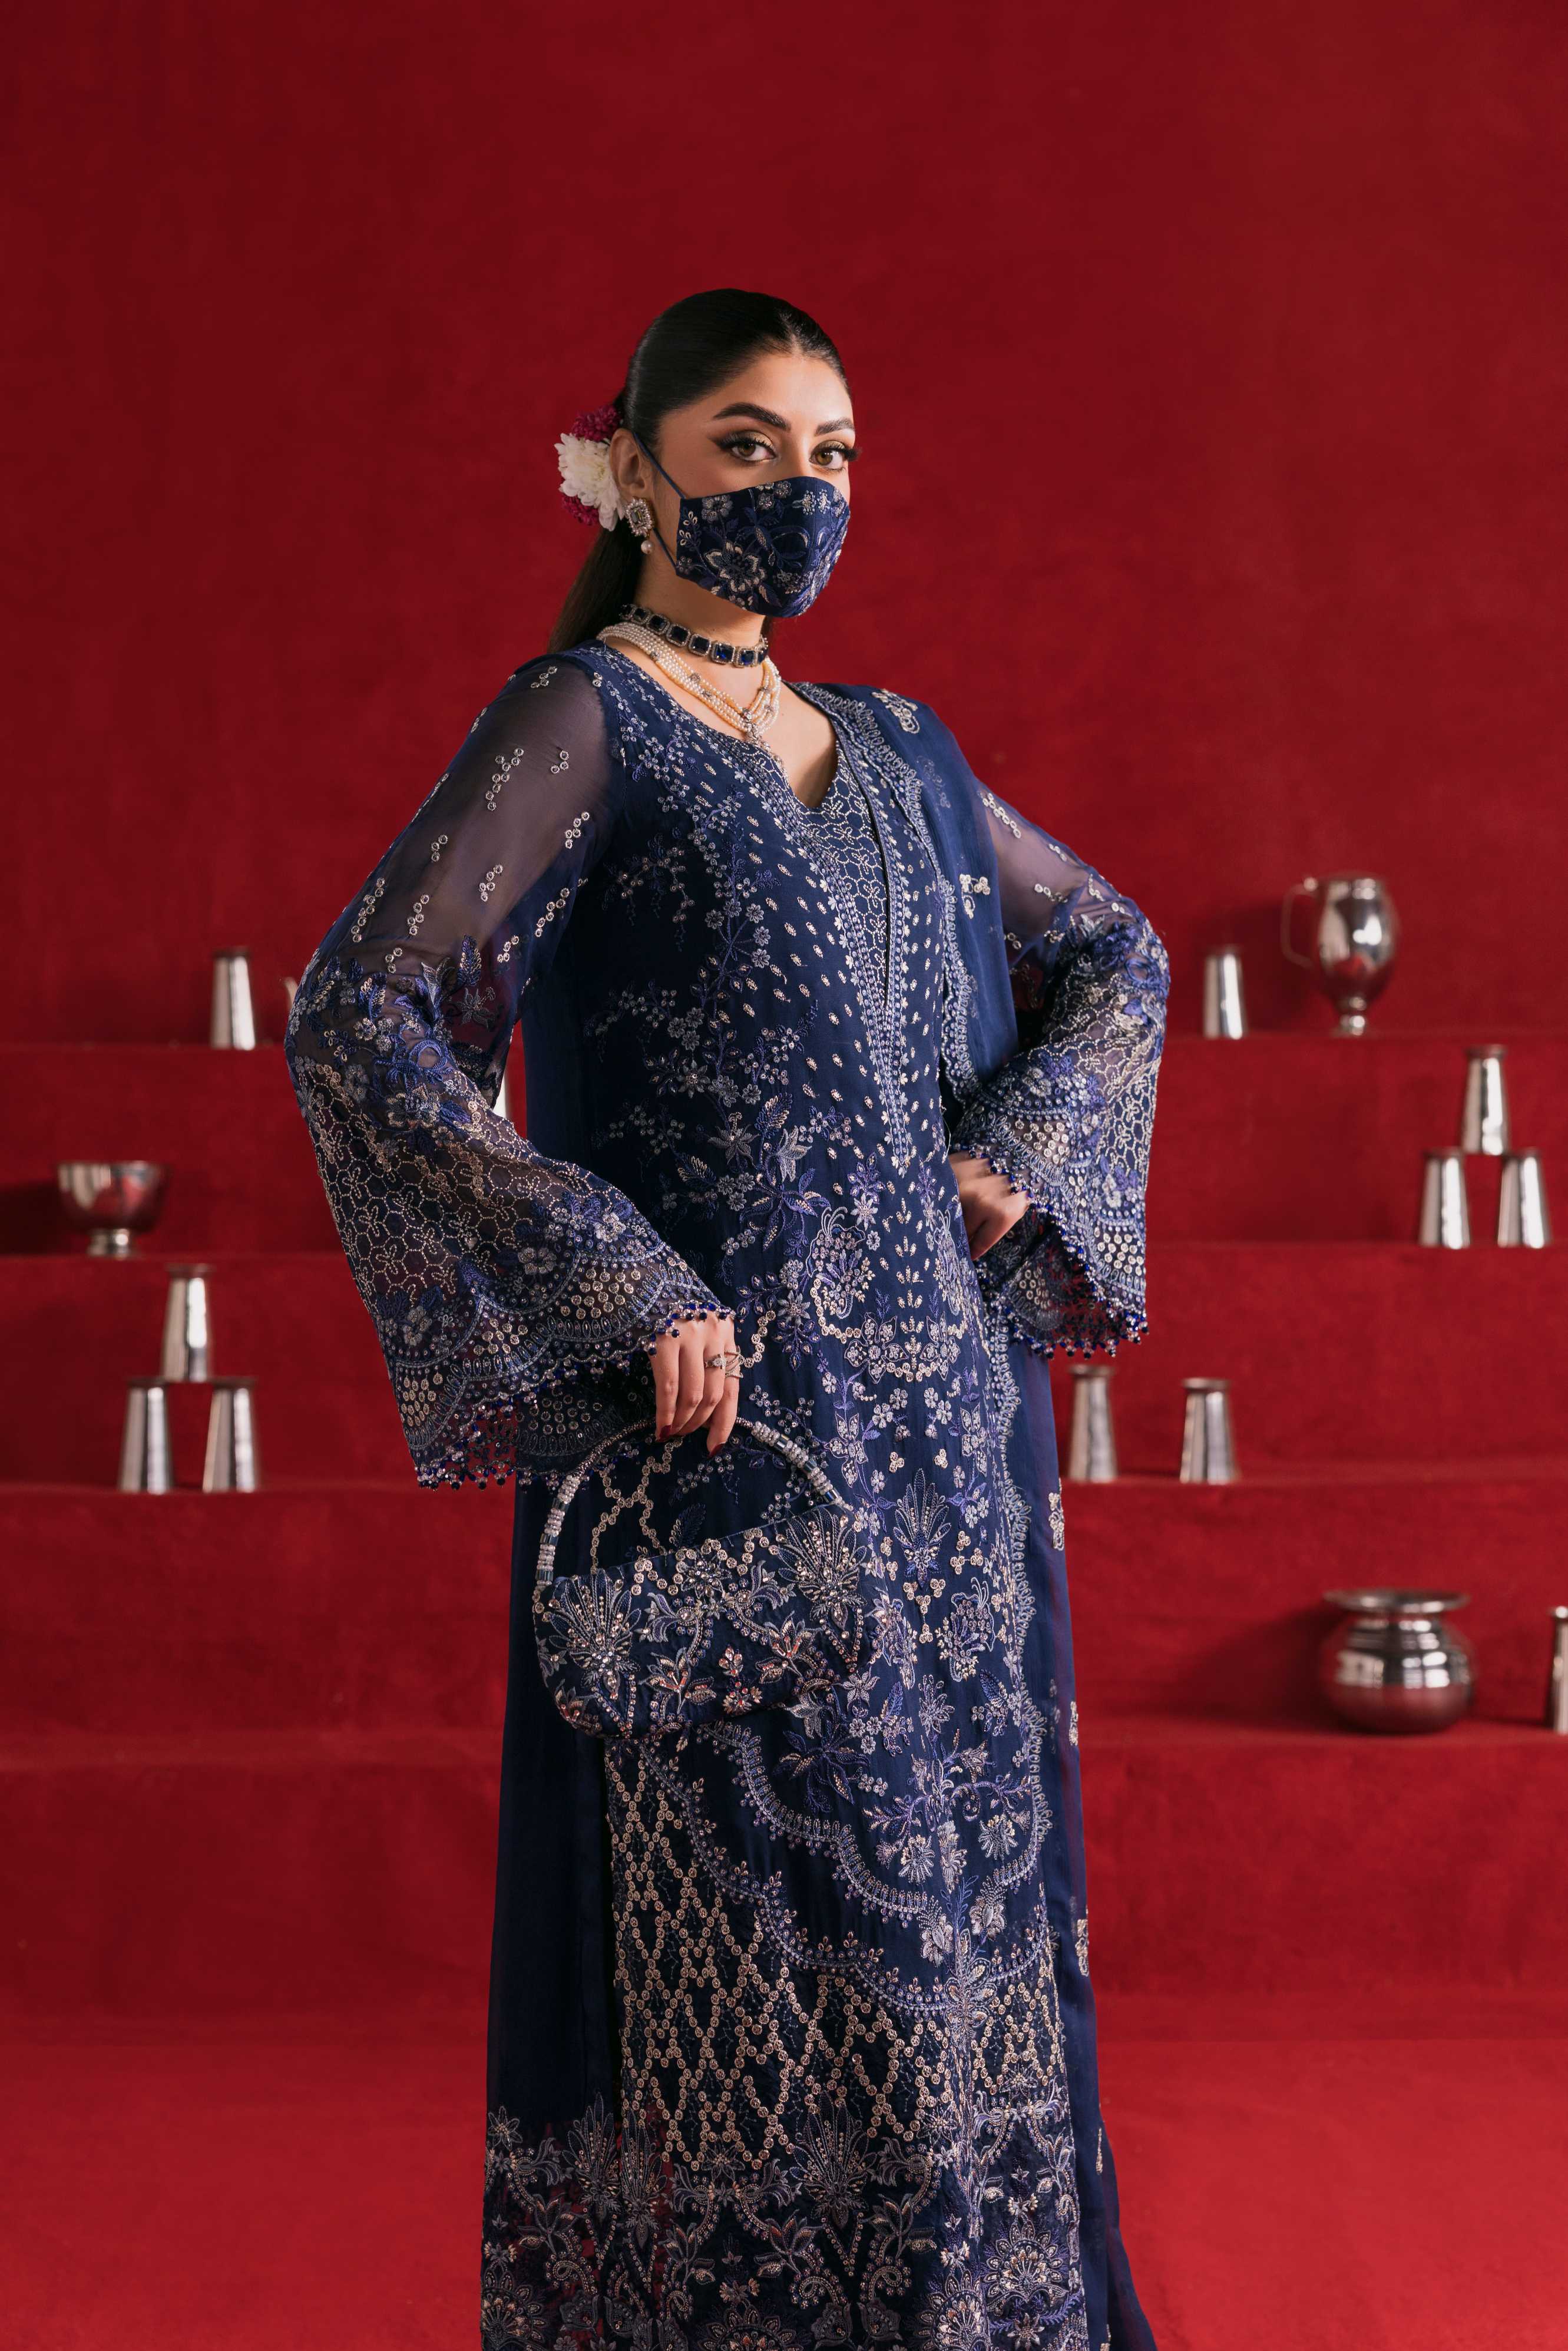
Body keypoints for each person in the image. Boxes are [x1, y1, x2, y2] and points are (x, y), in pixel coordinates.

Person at [284, 287, 1169, 2351]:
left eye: (834, 452)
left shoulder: (908, 751)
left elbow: (1118, 953)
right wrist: (609, 1268)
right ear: (636, 466)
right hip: (729, 1449)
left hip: (954, 1461)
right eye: (751, 445)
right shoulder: (585, 719)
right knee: (752, 1944)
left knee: (962, 1923)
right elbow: (363, 1011)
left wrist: (1026, 1144)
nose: (801, 489)